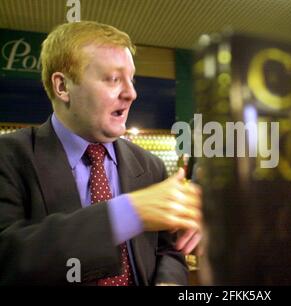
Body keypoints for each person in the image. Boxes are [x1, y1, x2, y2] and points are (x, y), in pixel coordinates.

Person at [0, 21, 202, 285]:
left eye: (131, 79)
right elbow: (8, 258)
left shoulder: (150, 166)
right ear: (62, 87)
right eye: (113, 79)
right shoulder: (10, 157)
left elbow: (167, 251)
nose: (131, 93)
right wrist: (127, 214)